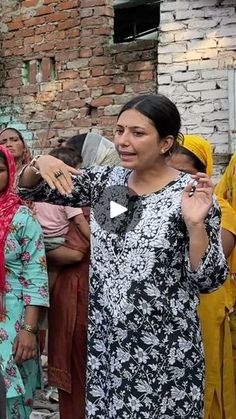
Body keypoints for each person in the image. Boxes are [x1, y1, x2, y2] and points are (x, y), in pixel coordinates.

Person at [17, 94, 228, 419]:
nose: (123, 141)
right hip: (108, 349)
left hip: (165, 352)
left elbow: (210, 279)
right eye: (119, 130)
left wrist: (196, 225)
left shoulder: (189, 194)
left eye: (137, 133)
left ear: (165, 142)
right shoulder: (108, 183)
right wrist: (39, 163)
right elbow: (31, 189)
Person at [168, 134, 236, 419]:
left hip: (204, 304)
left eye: (185, 174)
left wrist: (194, 223)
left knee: (204, 375)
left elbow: (214, 260)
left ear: (203, 171)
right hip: (168, 305)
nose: (179, 182)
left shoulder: (221, 208)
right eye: (173, 172)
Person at [0, 145, 49, 418]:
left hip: (13, 316)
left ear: (10, 173)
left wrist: (29, 330)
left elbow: (36, 276)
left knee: (12, 400)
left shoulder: (22, 218)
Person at [35, 147, 90, 264]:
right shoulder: (67, 193)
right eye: (77, 170)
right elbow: (80, 221)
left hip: (38, 239)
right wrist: (96, 241)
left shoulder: (40, 190)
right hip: (56, 240)